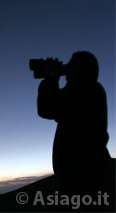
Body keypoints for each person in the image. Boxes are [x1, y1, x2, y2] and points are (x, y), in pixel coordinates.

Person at [37, 51, 114, 195]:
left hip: (83, 176)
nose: (66, 67)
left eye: (71, 64)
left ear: (81, 68)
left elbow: (47, 109)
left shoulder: (86, 89)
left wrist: (51, 77)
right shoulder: (89, 88)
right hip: (86, 172)